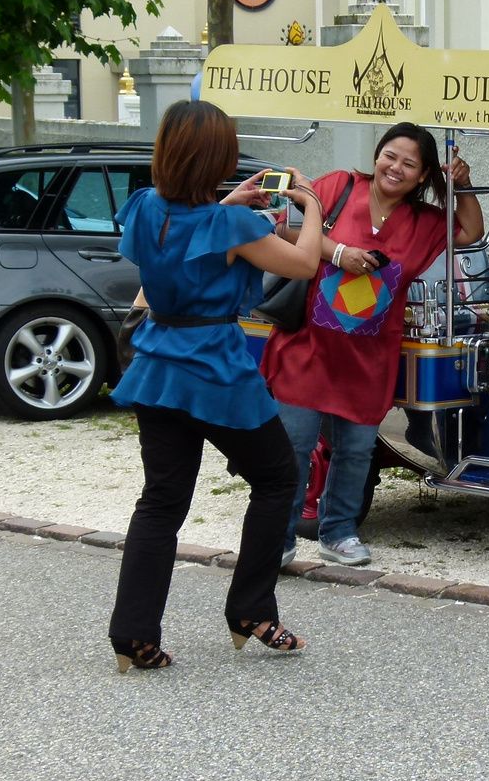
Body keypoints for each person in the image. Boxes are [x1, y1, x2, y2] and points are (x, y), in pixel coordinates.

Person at [107, 100, 325, 673]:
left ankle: (132, 635)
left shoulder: (146, 208)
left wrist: (229, 203)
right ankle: (251, 609)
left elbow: (184, 241)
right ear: (217, 156)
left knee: (160, 502)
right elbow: (304, 263)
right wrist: (315, 204)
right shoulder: (228, 225)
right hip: (215, 370)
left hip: (158, 367)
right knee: (279, 478)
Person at [259, 123, 483, 566]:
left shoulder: (424, 221)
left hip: (369, 357)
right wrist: (339, 253)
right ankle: (277, 540)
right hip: (307, 346)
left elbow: (470, 232)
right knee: (294, 446)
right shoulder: (337, 186)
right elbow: (286, 230)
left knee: (357, 449)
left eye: (409, 163)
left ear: (422, 176)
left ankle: (338, 532)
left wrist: (465, 184)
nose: (395, 168)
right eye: (389, 156)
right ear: (376, 155)